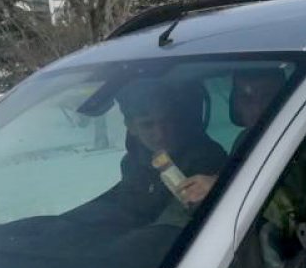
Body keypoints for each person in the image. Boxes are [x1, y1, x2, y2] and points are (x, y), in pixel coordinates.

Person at [69, 80, 227, 227]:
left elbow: (172, 227)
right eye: (147, 125)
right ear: (131, 127)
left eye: (166, 121)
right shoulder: (133, 162)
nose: (160, 134)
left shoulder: (206, 160)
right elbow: (119, 210)